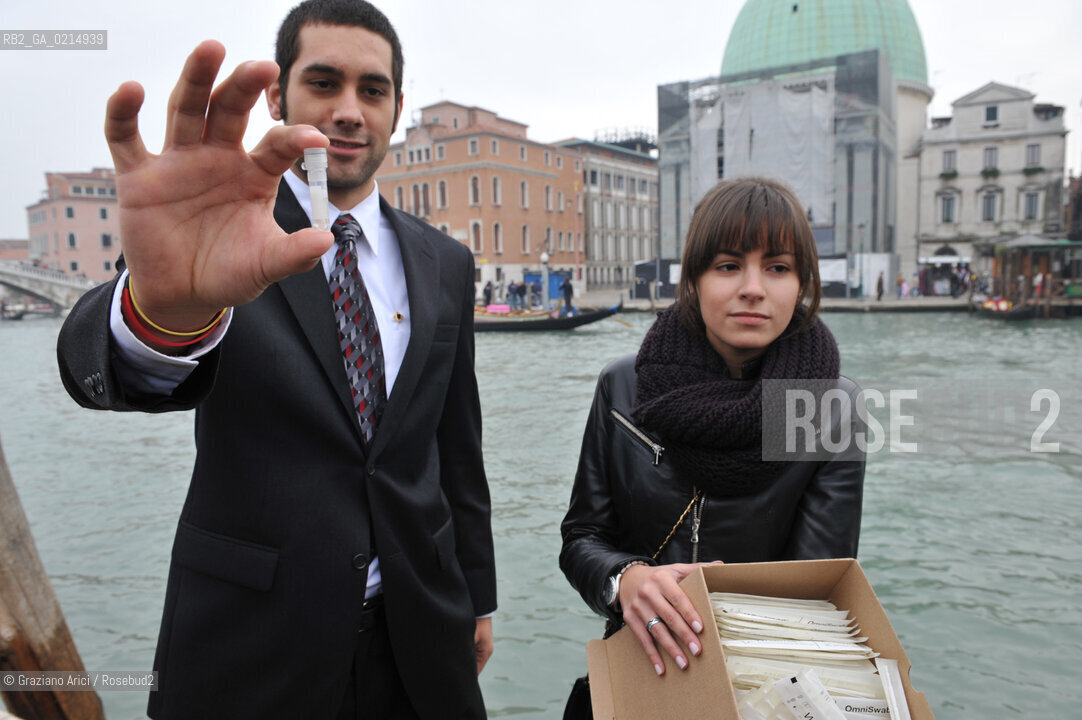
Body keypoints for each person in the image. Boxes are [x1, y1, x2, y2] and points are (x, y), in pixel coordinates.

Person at [55, 2, 496, 718]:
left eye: (372, 90)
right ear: (276, 97)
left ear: (397, 107)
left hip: (419, 635)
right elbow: (100, 371)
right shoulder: (222, 228)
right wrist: (163, 313)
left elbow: (456, 447)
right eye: (324, 83)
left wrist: (477, 595)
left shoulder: (445, 262)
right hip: (252, 646)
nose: (350, 111)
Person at [560, 178, 864, 684]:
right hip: (641, 666)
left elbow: (816, 584)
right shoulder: (622, 386)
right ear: (694, 279)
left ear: (802, 284)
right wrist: (629, 581)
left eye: (778, 268)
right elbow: (583, 538)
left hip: (763, 683)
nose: (753, 288)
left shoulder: (833, 407)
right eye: (728, 266)